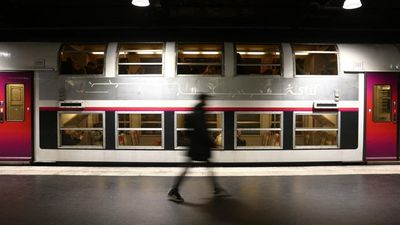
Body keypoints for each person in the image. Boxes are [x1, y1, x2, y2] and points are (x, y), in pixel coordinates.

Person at [168, 94, 229, 203]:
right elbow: (202, 131)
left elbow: (192, 132)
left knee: (204, 166)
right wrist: (211, 143)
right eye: (206, 100)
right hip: (199, 147)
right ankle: (174, 190)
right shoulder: (200, 113)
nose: (207, 102)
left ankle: (216, 188)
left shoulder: (195, 112)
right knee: (191, 167)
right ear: (203, 100)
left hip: (196, 145)